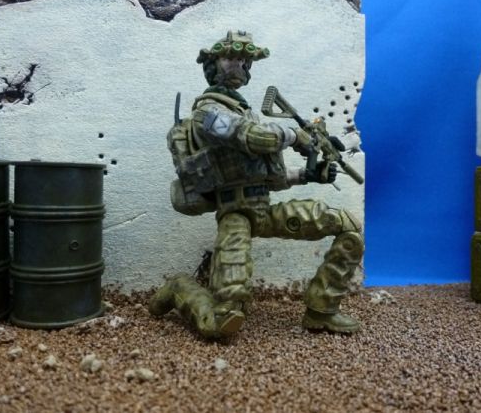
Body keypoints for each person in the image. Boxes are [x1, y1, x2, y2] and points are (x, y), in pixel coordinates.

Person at [149, 31, 364, 338]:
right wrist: (296, 135)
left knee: (348, 228)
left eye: (245, 61)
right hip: (234, 215)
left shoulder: (245, 112)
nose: (239, 65)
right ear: (213, 63)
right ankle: (178, 288)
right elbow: (253, 137)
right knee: (223, 319)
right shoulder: (207, 113)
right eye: (231, 58)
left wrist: (308, 174)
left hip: (263, 210)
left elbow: (268, 177)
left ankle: (322, 309)